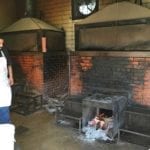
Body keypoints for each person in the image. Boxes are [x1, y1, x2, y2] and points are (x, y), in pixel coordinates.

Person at [0, 38, 14, 123]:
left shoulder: (3, 49)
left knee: (4, 111)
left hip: (3, 84)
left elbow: (9, 64)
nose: (1, 45)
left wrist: (11, 76)